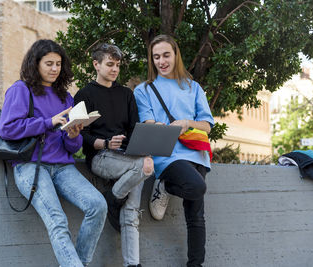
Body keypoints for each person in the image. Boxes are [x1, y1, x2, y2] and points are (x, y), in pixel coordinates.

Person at [0, 39, 107, 267]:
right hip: (30, 165)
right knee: (58, 221)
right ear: (35, 64)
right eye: (49, 63)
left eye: (58, 64)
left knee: (98, 205)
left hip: (62, 167)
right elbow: (6, 129)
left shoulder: (65, 97)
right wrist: (47, 122)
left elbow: (73, 148)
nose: (54, 69)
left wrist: (73, 133)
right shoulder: (20, 89)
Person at [134, 34, 214, 267]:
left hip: (196, 152)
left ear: (176, 55)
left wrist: (187, 122)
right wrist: (159, 127)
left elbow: (207, 125)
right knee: (197, 187)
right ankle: (165, 185)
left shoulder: (193, 87)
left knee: (196, 216)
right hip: (167, 155)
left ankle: (195, 265)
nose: (161, 61)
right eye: (156, 57)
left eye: (166, 55)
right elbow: (147, 122)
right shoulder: (144, 90)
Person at [74, 43, 154, 267]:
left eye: (118, 65)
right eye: (110, 64)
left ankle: (132, 263)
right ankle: (112, 199)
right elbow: (81, 136)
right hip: (100, 157)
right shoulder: (84, 94)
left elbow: (134, 128)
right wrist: (107, 143)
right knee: (145, 167)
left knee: (131, 214)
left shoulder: (126, 94)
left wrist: (133, 143)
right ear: (96, 64)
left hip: (128, 156)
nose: (115, 69)